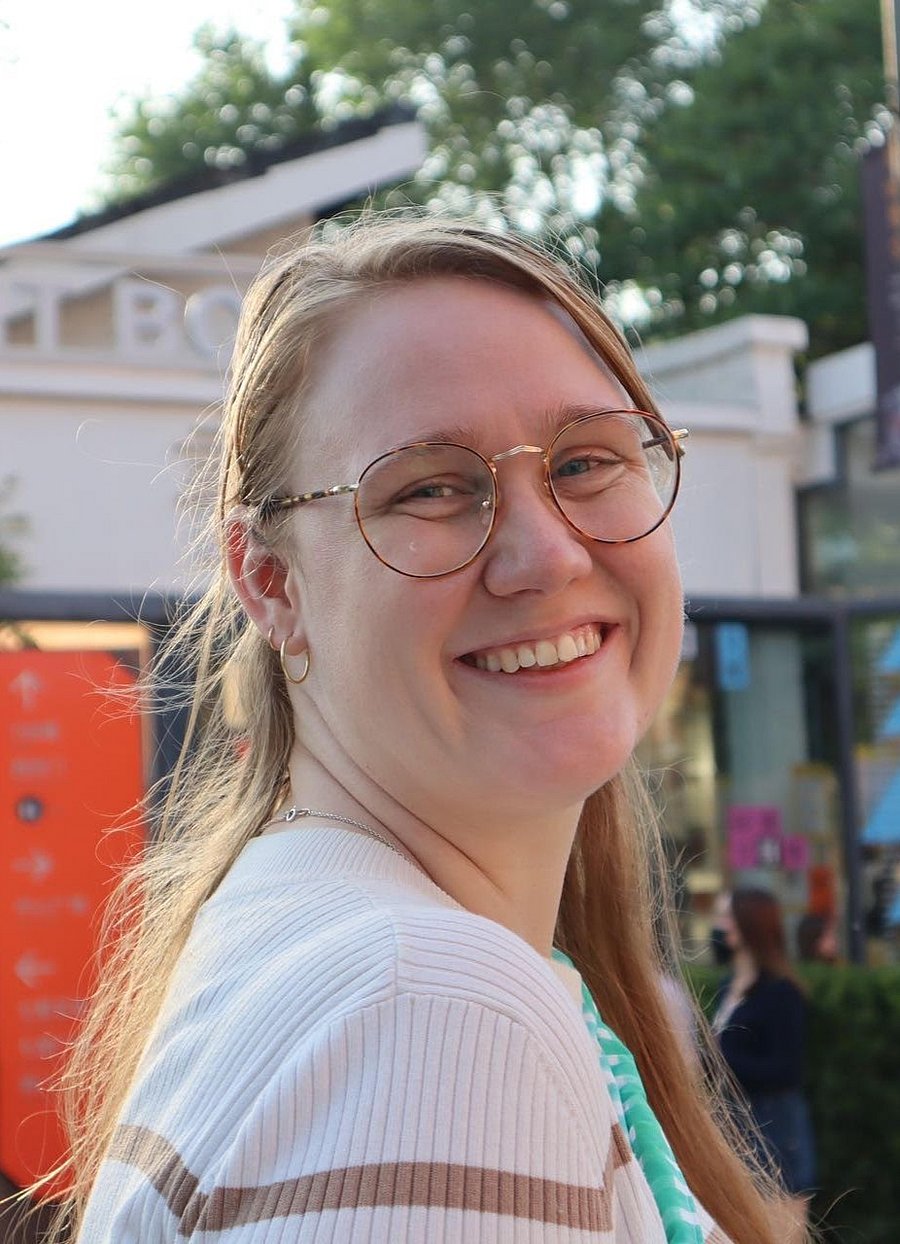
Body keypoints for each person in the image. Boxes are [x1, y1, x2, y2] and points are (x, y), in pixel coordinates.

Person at [53, 214, 791, 1242]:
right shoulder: (428, 1002)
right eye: (432, 487)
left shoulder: (328, 933)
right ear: (271, 582)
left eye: (587, 460)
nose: (547, 555)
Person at [712, 888, 817, 1242]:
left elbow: (786, 1071)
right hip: (734, 1131)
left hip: (775, 1134)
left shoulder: (781, 993)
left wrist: (720, 1058)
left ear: (750, 923)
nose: (721, 924)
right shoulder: (728, 985)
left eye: (728, 916)